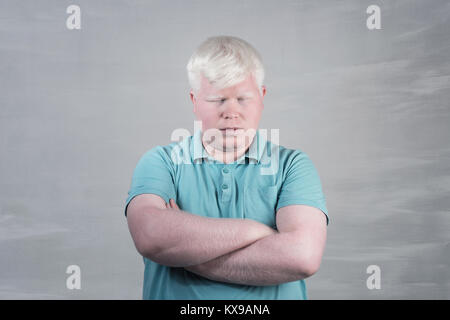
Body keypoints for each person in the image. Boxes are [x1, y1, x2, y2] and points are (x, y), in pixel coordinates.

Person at [124, 35, 329, 300]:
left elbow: (302, 257)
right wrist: (256, 231)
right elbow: (151, 237)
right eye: (217, 99)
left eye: (243, 98)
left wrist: (185, 254)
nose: (231, 112)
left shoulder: (293, 166)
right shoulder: (161, 162)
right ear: (194, 101)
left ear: (262, 97)